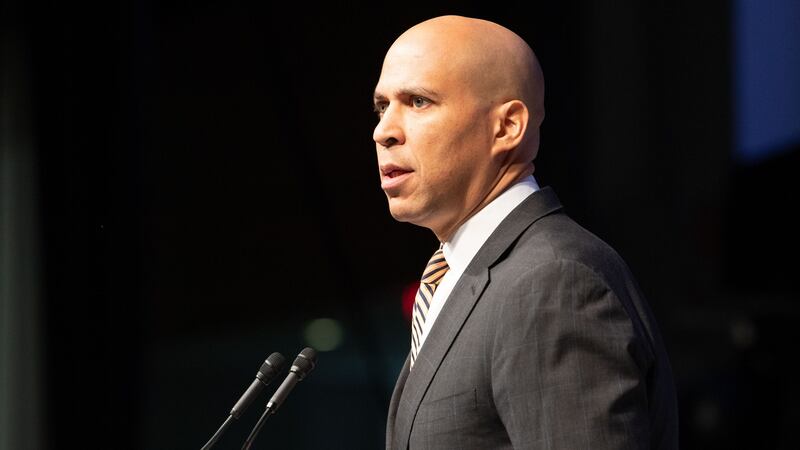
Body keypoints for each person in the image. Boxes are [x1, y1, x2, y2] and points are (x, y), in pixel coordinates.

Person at [372, 15, 679, 449]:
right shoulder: (467, 276)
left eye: (419, 102)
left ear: (508, 126)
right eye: (382, 107)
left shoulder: (553, 281)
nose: (383, 131)